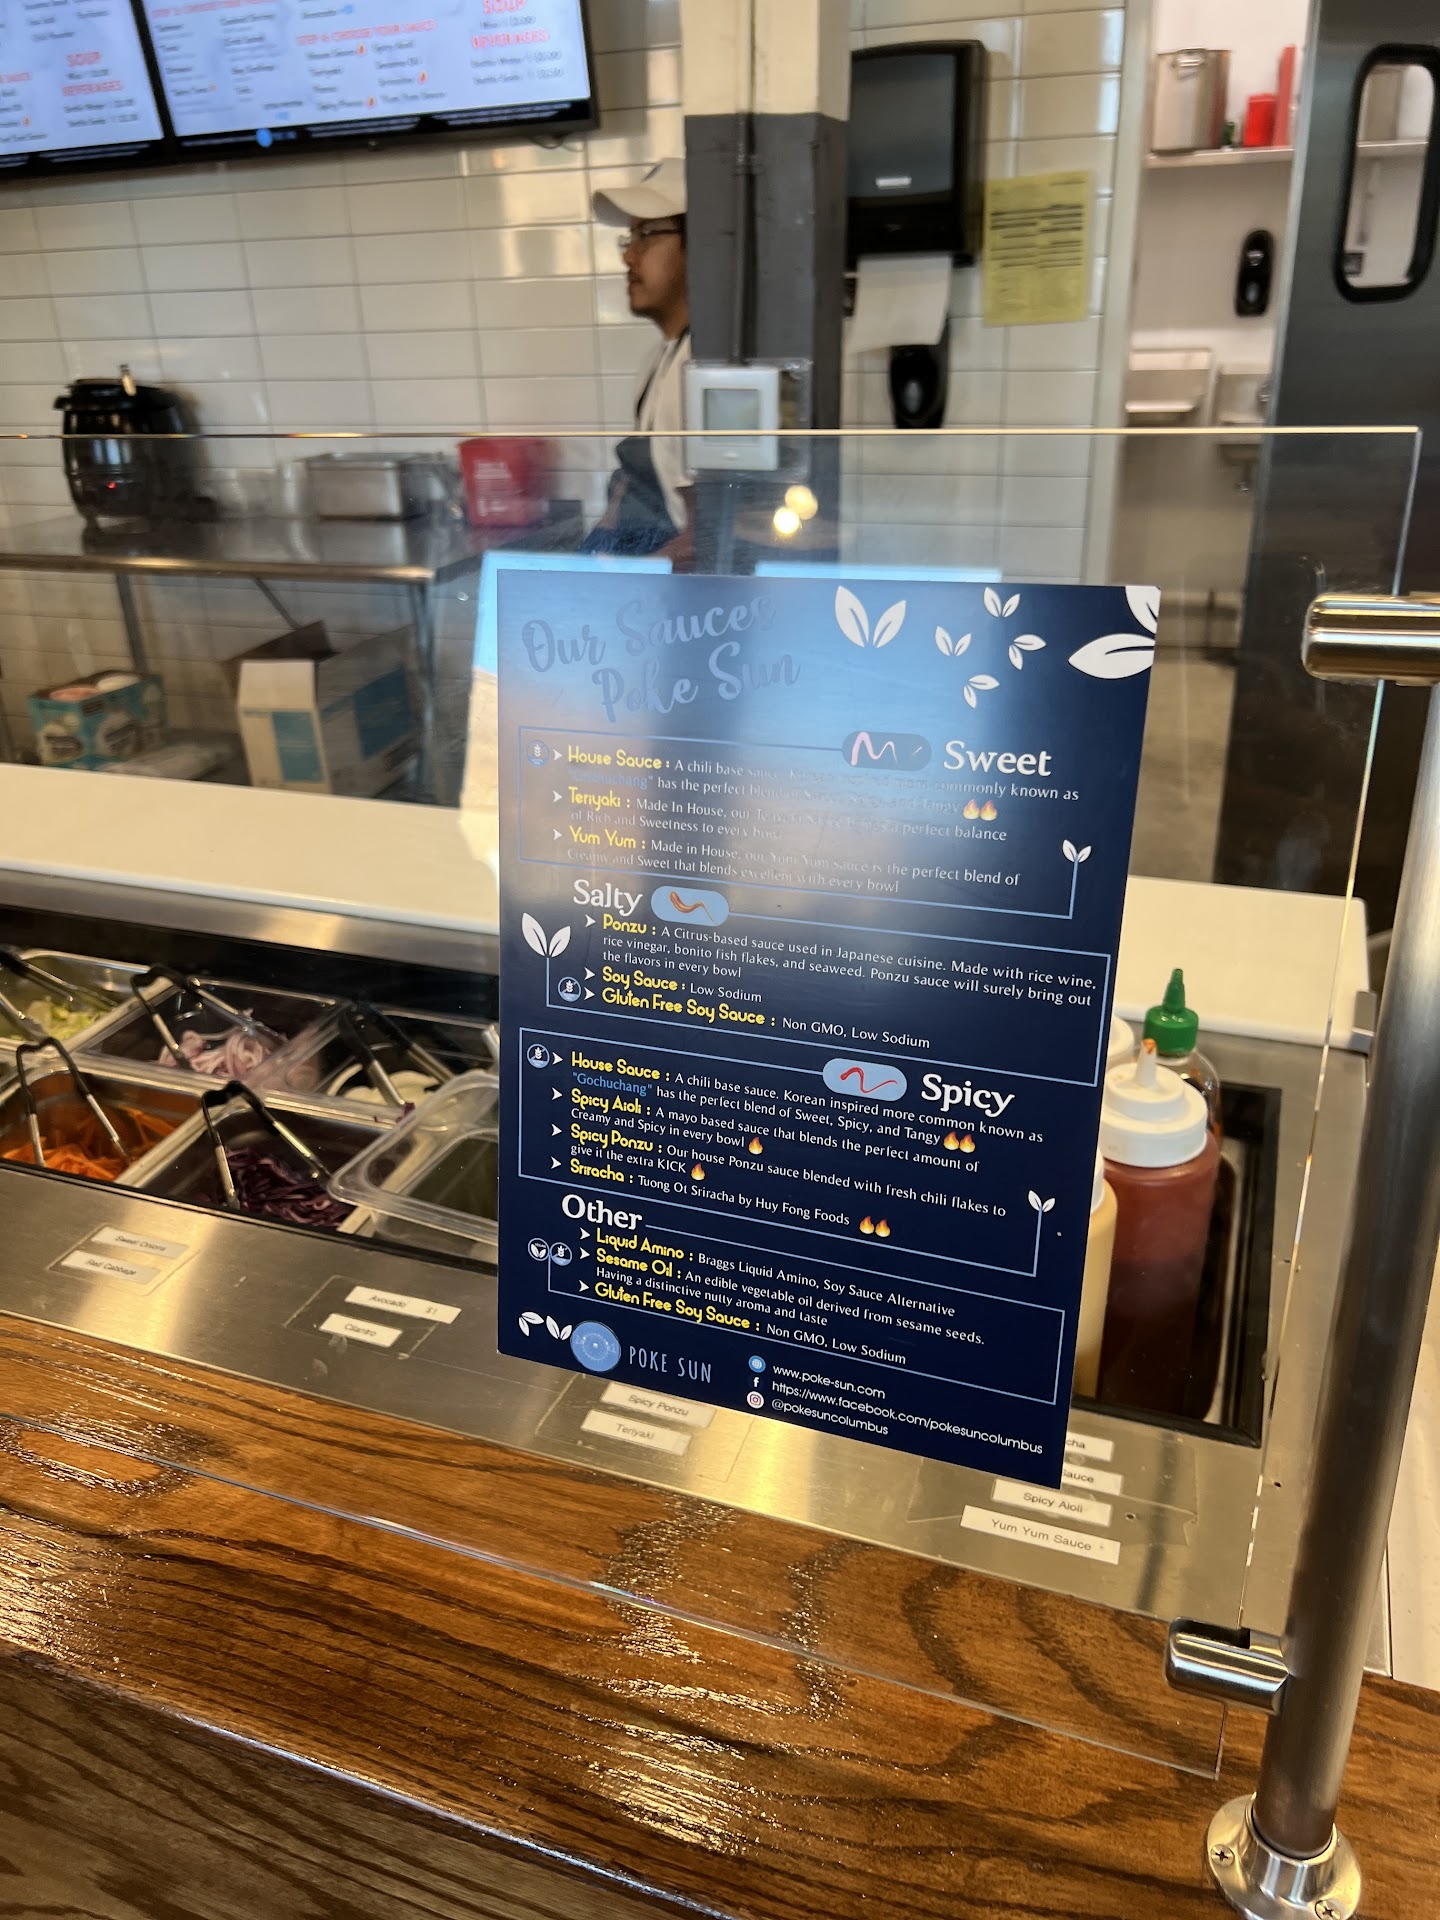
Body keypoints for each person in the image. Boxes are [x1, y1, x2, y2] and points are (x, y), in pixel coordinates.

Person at [586, 158, 693, 558]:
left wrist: (626, 583)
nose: (629, 257)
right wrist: (592, 556)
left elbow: (705, 539)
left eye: (647, 235)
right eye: (630, 238)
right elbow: (629, 486)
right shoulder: (658, 360)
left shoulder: (703, 370)